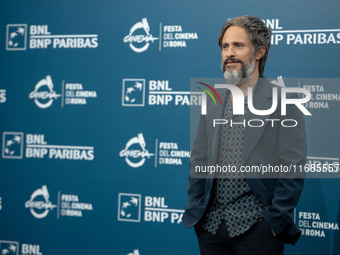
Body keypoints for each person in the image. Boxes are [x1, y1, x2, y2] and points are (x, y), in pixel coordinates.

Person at [182, 16, 307, 255]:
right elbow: (199, 159)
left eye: (238, 46)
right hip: (211, 227)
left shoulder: (285, 102)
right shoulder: (214, 100)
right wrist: (196, 206)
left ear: (259, 52)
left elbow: (294, 166)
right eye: (225, 46)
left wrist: (274, 221)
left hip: (258, 229)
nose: (229, 53)